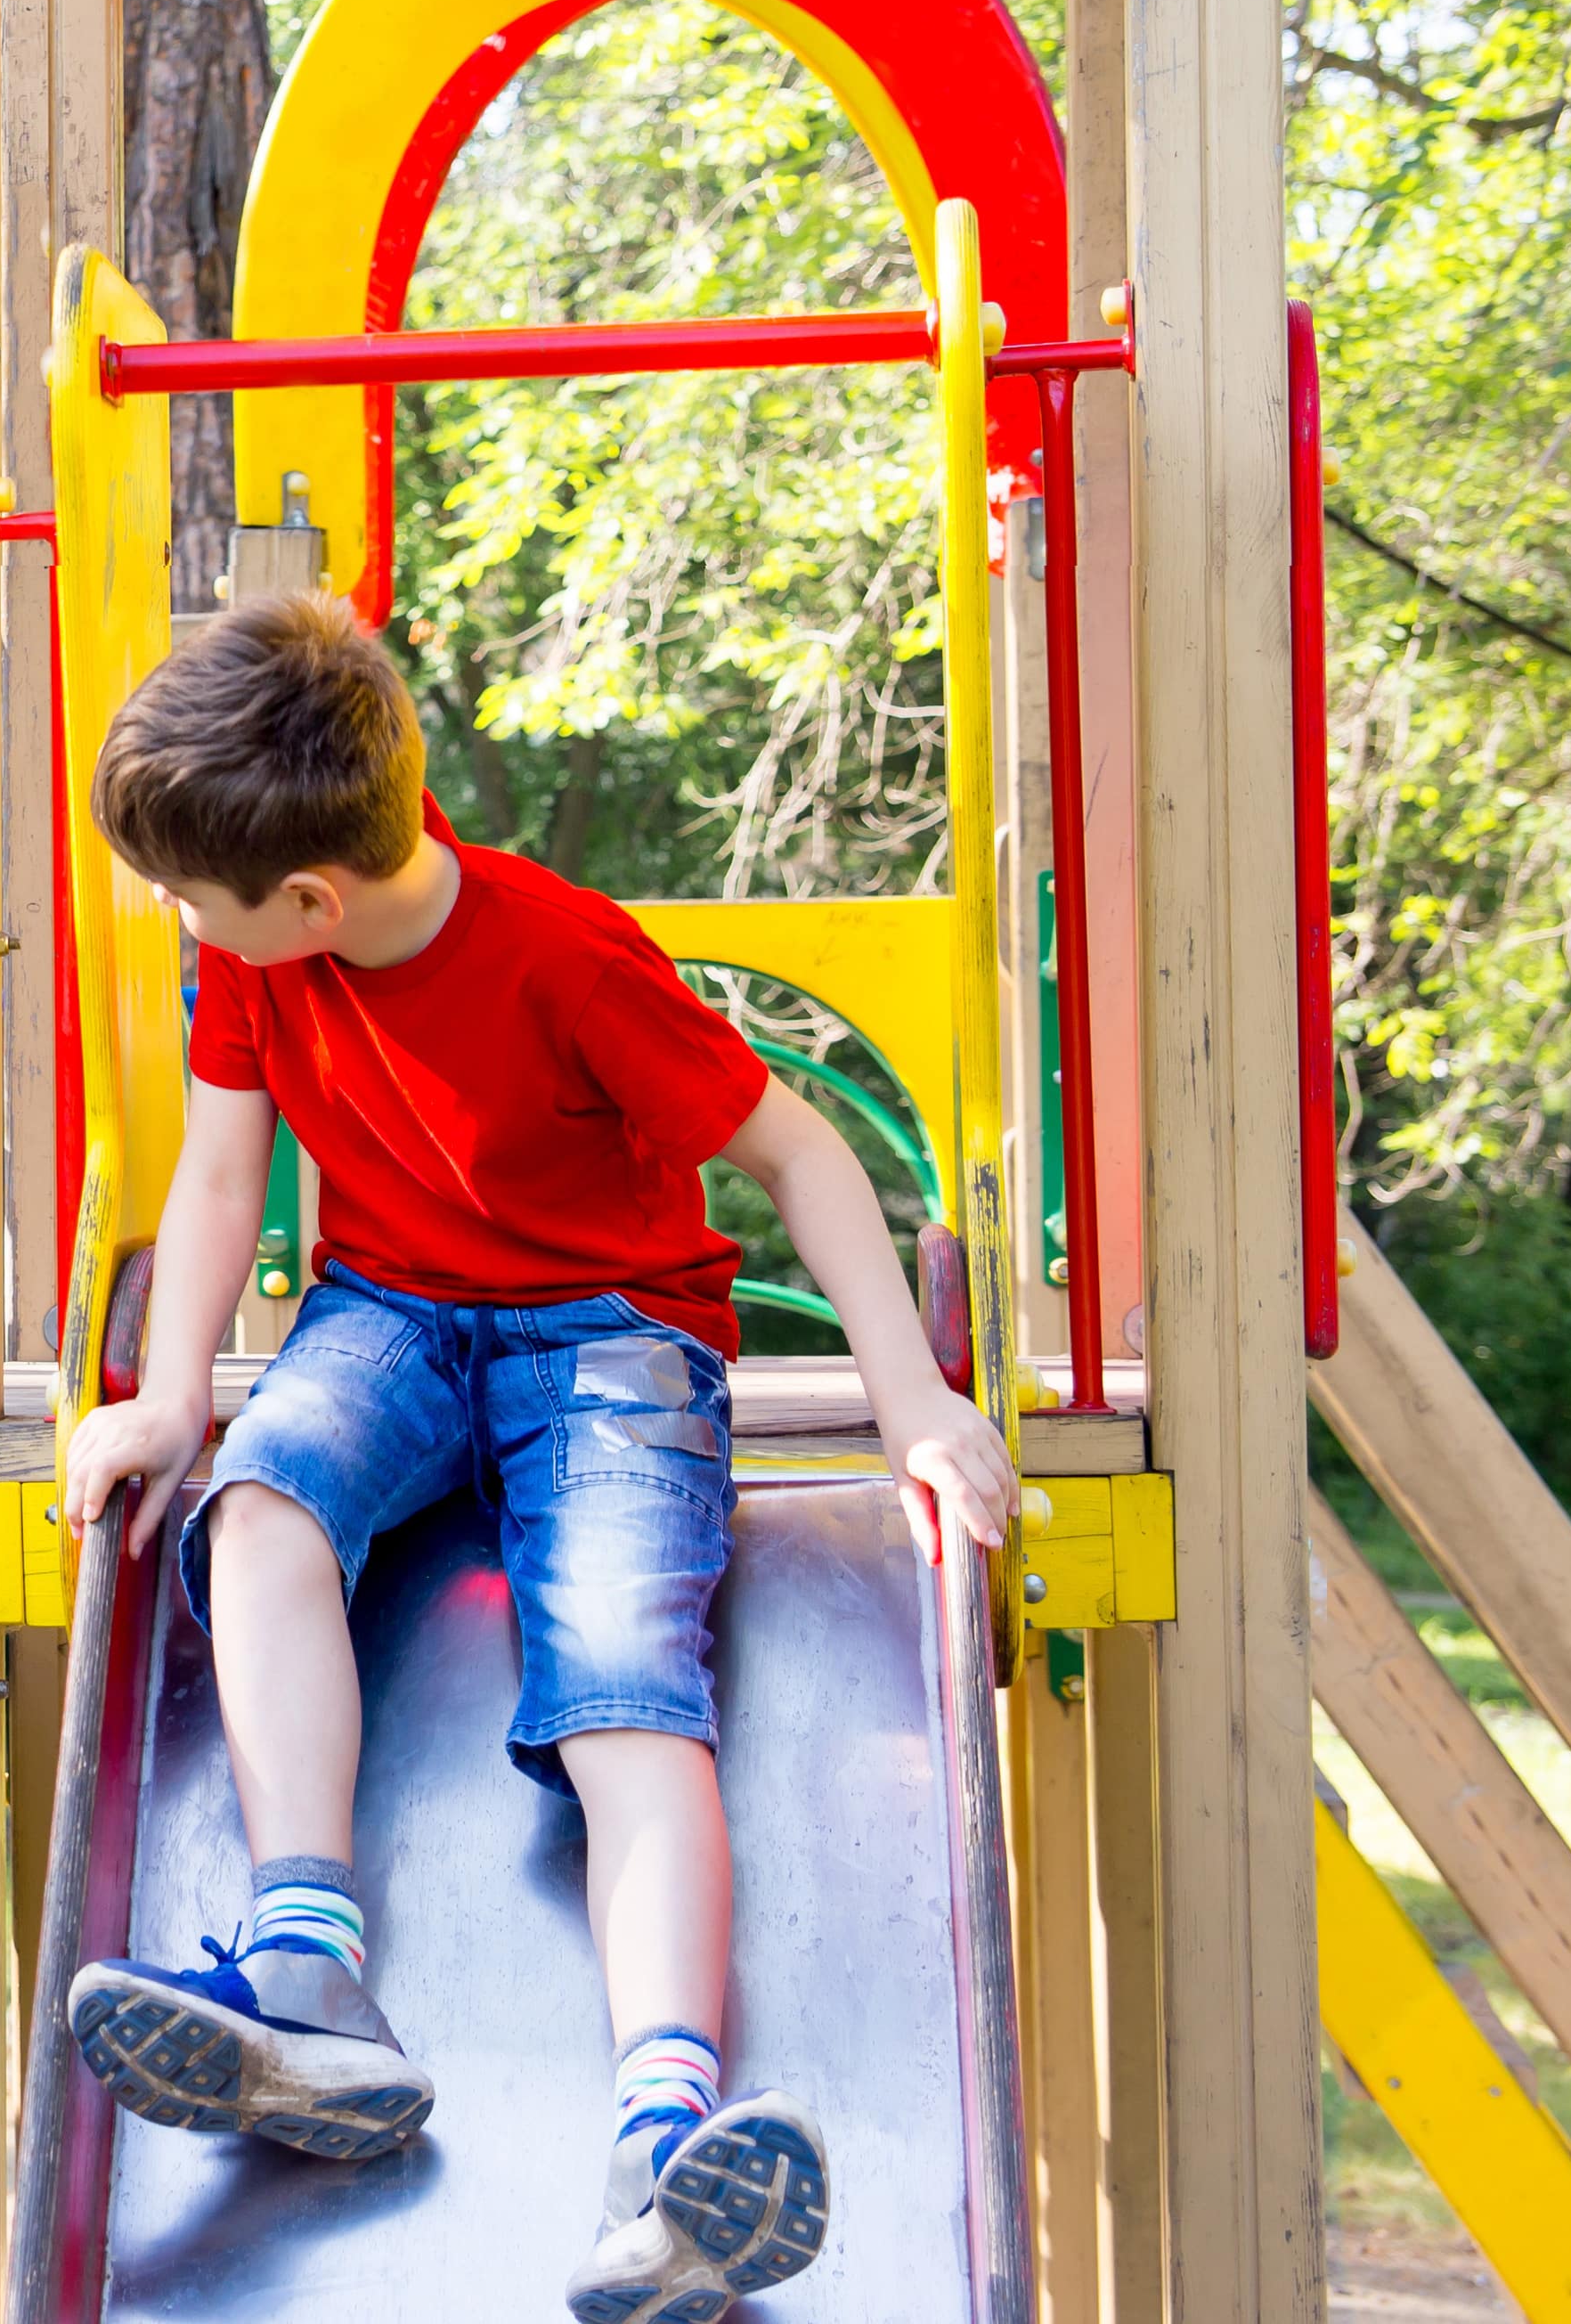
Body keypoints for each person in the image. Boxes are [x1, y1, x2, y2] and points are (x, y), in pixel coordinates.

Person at [51, 593, 1020, 2324]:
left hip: (610, 1336)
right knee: (260, 1507)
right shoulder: (252, 951)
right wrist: (175, 1396)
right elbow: (216, 1176)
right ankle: (309, 1978)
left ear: (312, 904)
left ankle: (666, 2146)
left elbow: (797, 1155)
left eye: (190, 899)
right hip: (389, 1318)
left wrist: (919, 1407)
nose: (170, 918)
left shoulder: (563, 955)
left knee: (623, 1692)